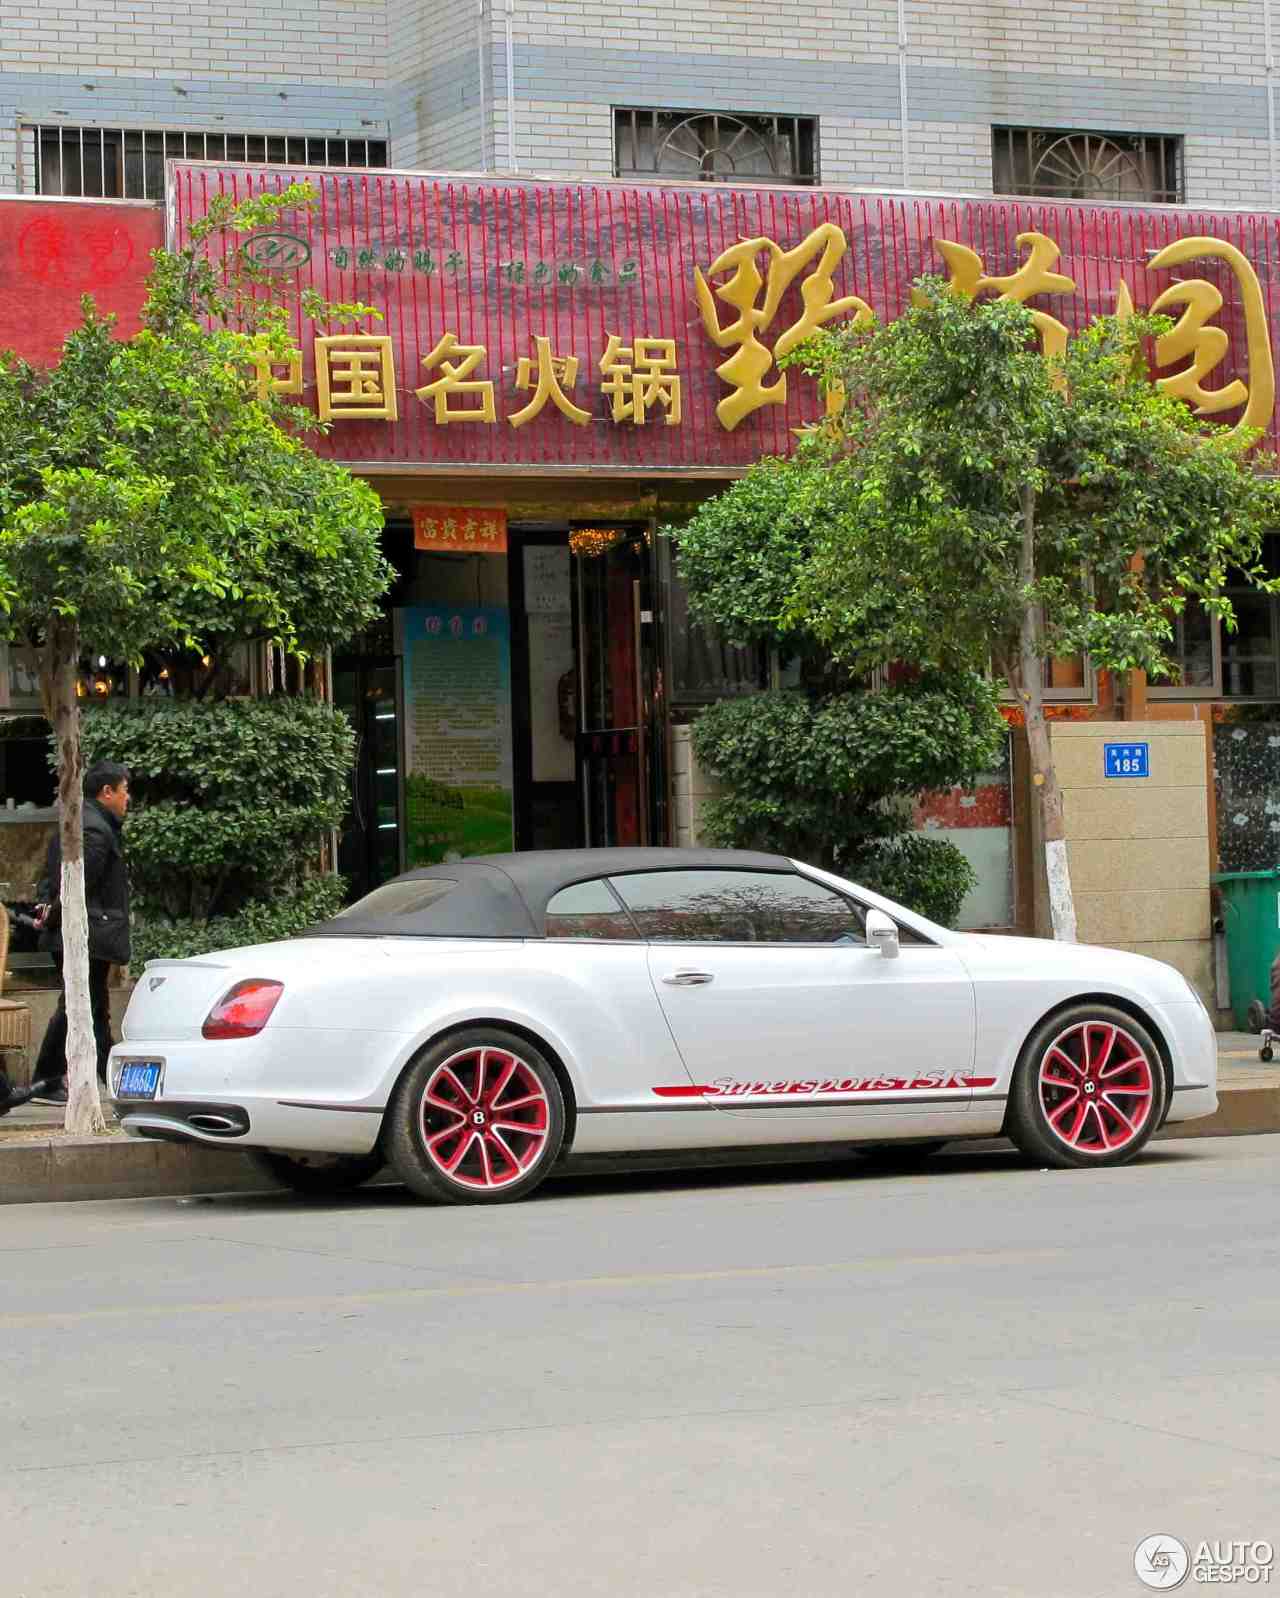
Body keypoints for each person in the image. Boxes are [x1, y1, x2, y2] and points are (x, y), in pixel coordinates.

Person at [31, 762, 131, 1105]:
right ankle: (46, 1077)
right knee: (78, 1004)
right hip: (86, 933)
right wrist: (59, 915)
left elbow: (57, 879)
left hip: (84, 931)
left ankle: (110, 1076)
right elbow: (75, 886)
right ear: (107, 793)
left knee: (91, 1005)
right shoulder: (95, 829)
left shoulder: (79, 822)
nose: (127, 798)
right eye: (124, 790)